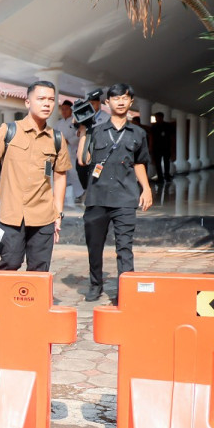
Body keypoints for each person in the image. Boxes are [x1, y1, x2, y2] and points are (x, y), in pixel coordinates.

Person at [0, 81, 72, 272]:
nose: (47, 104)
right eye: (41, 99)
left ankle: (34, 303)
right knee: (10, 263)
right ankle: (4, 302)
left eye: (51, 100)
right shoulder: (8, 131)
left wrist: (57, 213)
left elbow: (60, 177)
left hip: (43, 216)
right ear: (28, 102)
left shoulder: (57, 139)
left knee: (40, 269)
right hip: (10, 214)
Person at [77, 83, 153, 301]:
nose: (120, 101)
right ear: (107, 103)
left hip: (125, 198)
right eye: (116, 98)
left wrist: (146, 189)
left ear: (131, 102)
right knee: (94, 246)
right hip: (97, 197)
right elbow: (84, 160)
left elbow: (140, 163)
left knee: (125, 247)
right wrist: (83, 130)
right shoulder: (96, 131)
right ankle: (95, 284)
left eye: (125, 98)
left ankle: (126, 290)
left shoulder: (138, 133)